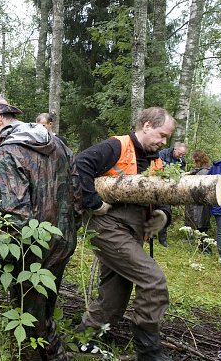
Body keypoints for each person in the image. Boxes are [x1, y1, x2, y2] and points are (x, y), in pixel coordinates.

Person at [0, 94, 76, 360]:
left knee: (28, 321)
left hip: (31, 252)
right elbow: (77, 188)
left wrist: (4, 261)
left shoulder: (7, 152)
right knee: (45, 308)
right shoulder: (56, 143)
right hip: (62, 241)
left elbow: (15, 217)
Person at [74, 107, 175, 361]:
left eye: (167, 139)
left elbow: (161, 195)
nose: (164, 142)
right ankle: (149, 352)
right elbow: (79, 164)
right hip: (108, 228)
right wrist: (93, 203)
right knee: (152, 281)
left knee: (116, 290)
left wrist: (163, 216)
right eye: (162, 135)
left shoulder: (157, 161)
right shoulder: (117, 146)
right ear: (148, 125)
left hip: (131, 233)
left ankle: (84, 337)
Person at [157, 142, 187, 246]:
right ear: (175, 149)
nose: (182, 156)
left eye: (184, 154)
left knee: (166, 212)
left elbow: (180, 175)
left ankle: (163, 238)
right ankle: (148, 235)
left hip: (169, 190)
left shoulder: (182, 161)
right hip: (156, 187)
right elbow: (158, 169)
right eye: (181, 153)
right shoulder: (162, 154)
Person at [184, 150, 213, 254]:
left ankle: (206, 250)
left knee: (201, 228)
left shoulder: (204, 172)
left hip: (200, 205)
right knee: (201, 228)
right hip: (202, 205)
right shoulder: (205, 169)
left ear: (198, 160)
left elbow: (196, 186)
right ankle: (203, 248)